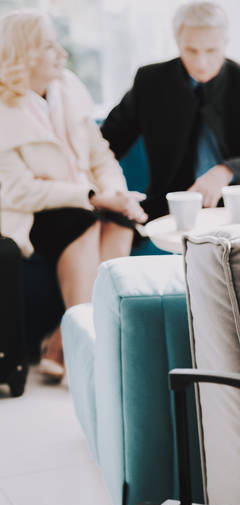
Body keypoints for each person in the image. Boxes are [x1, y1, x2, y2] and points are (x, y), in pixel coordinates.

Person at [0, 10, 147, 382]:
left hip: (86, 199)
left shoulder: (69, 87)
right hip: (31, 210)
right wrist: (95, 197)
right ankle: (87, 356)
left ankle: (64, 344)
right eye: (50, 46)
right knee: (82, 223)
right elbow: (17, 190)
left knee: (121, 222)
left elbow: (101, 155)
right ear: (24, 53)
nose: (61, 54)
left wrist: (116, 193)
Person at [101, 1, 240, 221]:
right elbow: (107, 142)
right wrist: (101, 187)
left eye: (211, 50)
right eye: (191, 50)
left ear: (225, 44)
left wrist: (227, 171)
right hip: (173, 206)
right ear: (178, 43)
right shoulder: (150, 82)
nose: (201, 63)